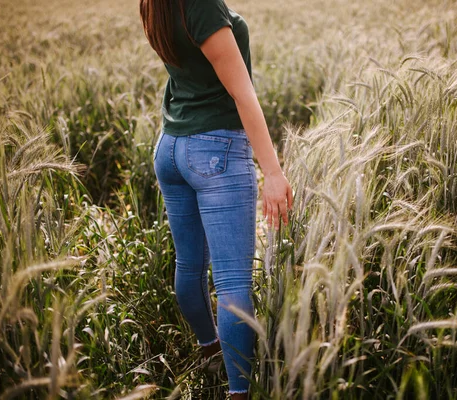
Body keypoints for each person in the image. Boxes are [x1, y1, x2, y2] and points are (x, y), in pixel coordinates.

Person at [140, 0, 293, 398]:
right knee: (233, 284)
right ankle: (239, 392)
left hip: (170, 148)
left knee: (189, 267)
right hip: (215, 151)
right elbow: (244, 95)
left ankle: (210, 351)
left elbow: (188, 66)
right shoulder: (200, 3)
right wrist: (273, 173)